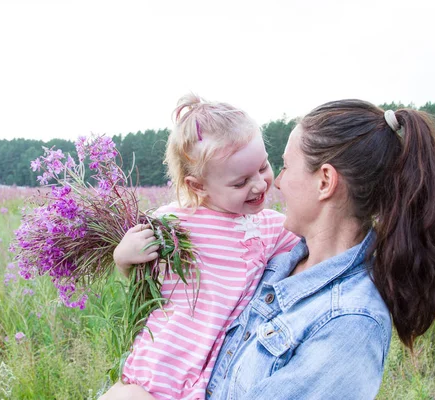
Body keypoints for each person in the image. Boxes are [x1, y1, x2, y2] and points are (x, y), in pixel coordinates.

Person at [101, 99, 435, 400]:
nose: (273, 183)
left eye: (284, 166)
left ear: (325, 181)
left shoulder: (349, 322)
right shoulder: (278, 260)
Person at [111, 94, 300, 399]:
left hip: (215, 374)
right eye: (240, 183)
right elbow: (136, 274)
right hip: (162, 362)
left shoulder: (270, 226)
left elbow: (316, 241)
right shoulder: (171, 222)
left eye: (264, 167)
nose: (260, 185)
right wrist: (124, 256)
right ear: (197, 186)